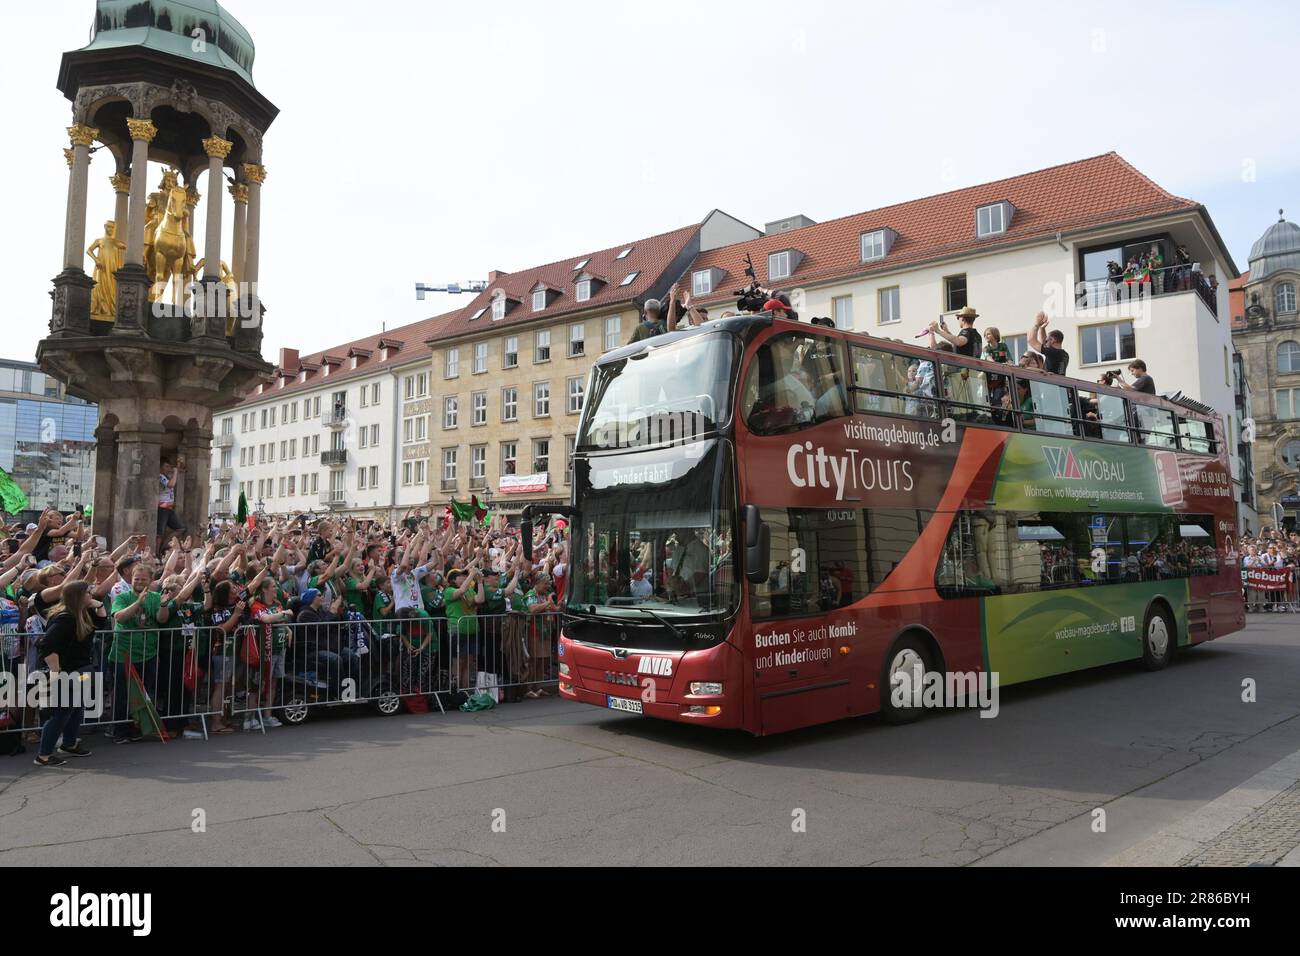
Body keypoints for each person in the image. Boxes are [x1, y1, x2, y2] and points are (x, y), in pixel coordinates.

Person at [33, 580, 102, 767]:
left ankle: (69, 744)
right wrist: (56, 671)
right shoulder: (66, 617)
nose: (91, 595)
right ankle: (43, 755)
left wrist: (100, 606)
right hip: (67, 671)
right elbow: (46, 644)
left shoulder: (81, 613)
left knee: (77, 709)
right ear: (78, 596)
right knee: (61, 713)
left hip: (80, 669)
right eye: (88, 593)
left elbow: (100, 623)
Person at [157, 458, 187, 554]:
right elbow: (171, 484)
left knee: (180, 528)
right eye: (166, 466)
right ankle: (157, 552)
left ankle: (164, 547)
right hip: (162, 508)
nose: (168, 468)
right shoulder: (160, 476)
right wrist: (175, 471)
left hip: (169, 509)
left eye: (169, 466)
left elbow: (184, 470)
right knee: (159, 533)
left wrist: (179, 466)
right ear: (160, 468)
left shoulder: (167, 476)